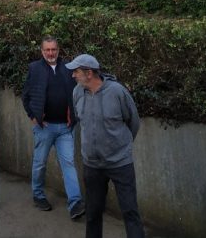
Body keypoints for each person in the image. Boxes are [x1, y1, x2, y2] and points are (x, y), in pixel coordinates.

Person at [66, 54, 146, 238]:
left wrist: (120, 149)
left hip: (120, 164)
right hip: (92, 165)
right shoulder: (77, 92)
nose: (73, 76)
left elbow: (133, 122)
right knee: (93, 214)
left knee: (130, 212)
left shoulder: (117, 92)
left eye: (76, 71)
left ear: (89, 73)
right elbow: (81, 121)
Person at [21, 35, 85, 218]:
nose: (51, 53)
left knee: (69, 164)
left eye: (54, 49)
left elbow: (77, 93)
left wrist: (74, 118)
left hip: (65, 128)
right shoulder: (35, 69)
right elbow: (25, 95)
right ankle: (38, 195)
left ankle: (75, 203)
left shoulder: (68, 68)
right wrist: (33, 117)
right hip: (44, 128)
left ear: (58, 50)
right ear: (42, 51)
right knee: (40, 164)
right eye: (47, 50)